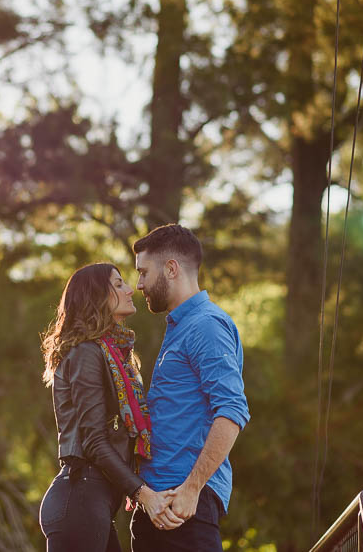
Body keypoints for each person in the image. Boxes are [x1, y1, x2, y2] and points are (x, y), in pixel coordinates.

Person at [39, 262, 182, 552]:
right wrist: (145, 495)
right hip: (79, 497)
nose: (131, 289)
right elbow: (93, 441)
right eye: (118, 284)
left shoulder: (112, 355)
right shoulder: (86, 352)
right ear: (96, 297)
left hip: (93, 502)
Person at [128, 224, 250, 551]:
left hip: (184, 510)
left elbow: (232, 411)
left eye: (143, 272)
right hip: (156, 505)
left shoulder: (206, 325)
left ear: (171, 268)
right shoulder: (180, 327)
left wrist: (192, 489)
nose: (138, 284)